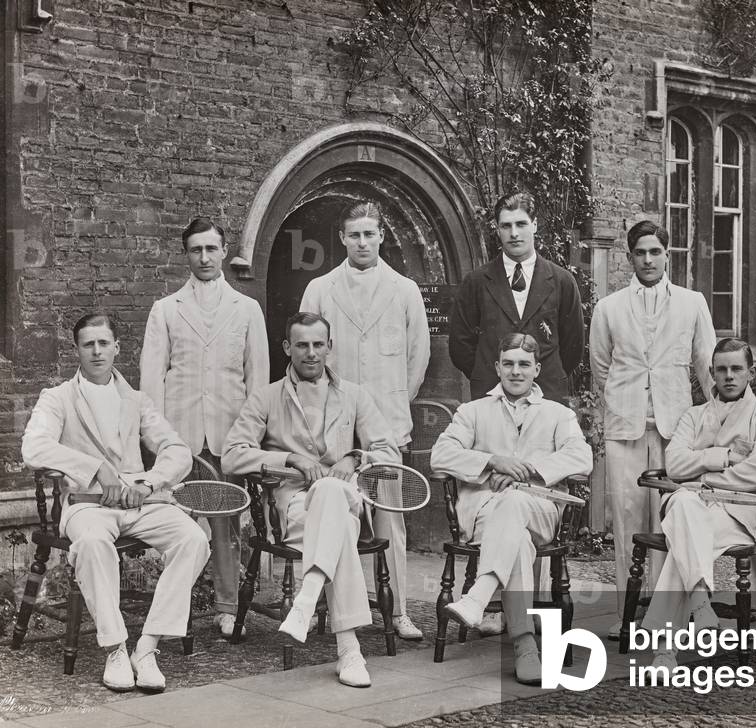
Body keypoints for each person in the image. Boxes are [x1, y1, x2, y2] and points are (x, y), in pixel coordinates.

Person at [22, 314, 210, 693]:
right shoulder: (57, 398)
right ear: (76, 350)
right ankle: (116, 649)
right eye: (88, 344)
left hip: (141, 504)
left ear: (116, 348)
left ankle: (148, 647)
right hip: (87, 505)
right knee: (93, 544)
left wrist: (148, 482)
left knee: (193, 539)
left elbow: (177, 449)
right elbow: (34, 447)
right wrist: (96, 469)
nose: (96, 351)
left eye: (103, 343)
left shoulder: (136, 400)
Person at [221, 313, 400, 687]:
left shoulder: (354, 395)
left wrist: (355, 457)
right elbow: (232, 456)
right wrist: (290, 459)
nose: (311, 353)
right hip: (295, 508)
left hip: (347, 499)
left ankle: (307, 599)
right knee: (338, 530)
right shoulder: (267, 397)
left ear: (330, 347)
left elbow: (389, 452)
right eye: (302, 345)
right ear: (288, 347)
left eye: (319, 344)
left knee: (332, 490)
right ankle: (348, 650)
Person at [300, 201, 430, 641]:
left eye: (369, 234)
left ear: (381, 237)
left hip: (386, 421)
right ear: (342, 238)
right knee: (327, 510)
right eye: (354, 235)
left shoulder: (404, 289)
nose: (361, 242)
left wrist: (392, 404)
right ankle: (320, 605)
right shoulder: (320, 287)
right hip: (332, 423)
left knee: (390, 517)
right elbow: (308, 351)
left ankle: (398, 611)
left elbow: (417, 357)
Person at [431, 333, 593, 684]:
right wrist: (493, 461)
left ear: (537, 369)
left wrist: (528, 470)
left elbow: (582, 457)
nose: (515, 371)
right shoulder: (473, 411)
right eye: (508, 364)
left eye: (523, 364)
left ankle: (478, 597)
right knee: (516, 538)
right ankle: (525, 647)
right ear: (497, 367)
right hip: (485, 512)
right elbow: (440, 456)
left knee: (517, 500)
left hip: (540, 510)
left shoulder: (558, 414)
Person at [140, 217, 269, 639]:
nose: (205, 257)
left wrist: (247, 437)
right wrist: (160, 441)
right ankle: (172, 611)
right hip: (180, 439)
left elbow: (258, 382)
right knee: (176, 525)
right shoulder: (166, 309)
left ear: (224, 251)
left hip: (228, 435)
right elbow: (151, 382)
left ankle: (227, 608)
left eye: (211, 249)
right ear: (186, 254)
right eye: (196, 250)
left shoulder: (246, 309)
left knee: (226, 525)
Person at [590, 220, 716, 639]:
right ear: (630, 258)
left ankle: (663, 616)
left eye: (655, 252)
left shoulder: (692, 302)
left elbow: (707, 364)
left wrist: (714, 423)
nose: (648, 260)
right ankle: (626, 614)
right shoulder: (609, 308)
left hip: (675, 428)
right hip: (625, 426)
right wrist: (624, 401)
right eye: (640, 253)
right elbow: (601, 367)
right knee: (626, 520)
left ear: (667, 254)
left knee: (668, 519)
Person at [641, 338, 756, 667]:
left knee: (683, 540)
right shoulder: (694, 416)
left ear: (751, 373)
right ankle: (699, 604)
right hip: (690, 504)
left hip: (735, 514)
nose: (729, 376)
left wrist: (702, 477)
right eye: (721, 369)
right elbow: (674, 464)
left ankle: (665, 649)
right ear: (711, 373)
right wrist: (724, 457)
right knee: (685, 507)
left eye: (736, 369)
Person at [448, 191, 584, 405]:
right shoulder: (476, 282)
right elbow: (460, 345)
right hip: (491, 397)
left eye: (521, 224)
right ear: (497, 229)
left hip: (547, 397)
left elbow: (573, 347)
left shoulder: (562, 281)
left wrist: (546, 373)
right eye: (506, 226)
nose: (514, 233)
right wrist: (487, 372)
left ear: (534, 225)